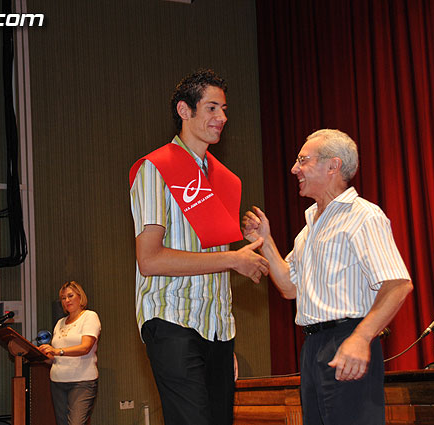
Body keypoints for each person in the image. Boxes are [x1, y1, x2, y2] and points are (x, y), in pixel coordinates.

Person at [242, 129, 413, 425]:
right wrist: (265, 241)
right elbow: (289, 287)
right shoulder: (309, 228)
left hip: (347, 339)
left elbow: (398, 284)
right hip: (313, 347)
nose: (294, 169)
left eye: (303, 160)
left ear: (333, 166)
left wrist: (361, 337)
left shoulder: (363, 216)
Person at [128, 69, 269, 425]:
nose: (222, 117)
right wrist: (233, 259)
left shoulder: (224, 179)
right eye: (211, 108)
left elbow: (217, 264)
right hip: (172, 320)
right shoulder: (155, 169)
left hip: (216, 328)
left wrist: (221, 339)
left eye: (224, 109)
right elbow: (149, 259)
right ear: (184, 110)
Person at [38, 281, 101, 425]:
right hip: (58, 382)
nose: (67, 300)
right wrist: (41, 354)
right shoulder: (60, 323)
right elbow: (54, 358)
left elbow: (85, 347)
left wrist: (57, 351)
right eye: (63, 298)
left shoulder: (89, 316)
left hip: (82, 383)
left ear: (80, 297)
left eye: (70, 296)